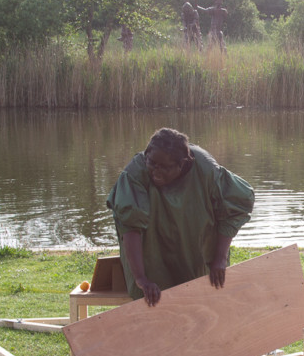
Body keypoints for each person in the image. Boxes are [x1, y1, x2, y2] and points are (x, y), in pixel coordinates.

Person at [106, 127, 254, 307]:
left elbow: (236, 206)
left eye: (165, 167)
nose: (156, 172)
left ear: (183, 164)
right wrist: (141, 278)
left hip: (195, 250)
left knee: (199, 300)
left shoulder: (206, 170)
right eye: (152, 163)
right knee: (155, 304)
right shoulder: (135, 174)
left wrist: (220, 259)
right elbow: (130, 227)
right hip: (152, 253)